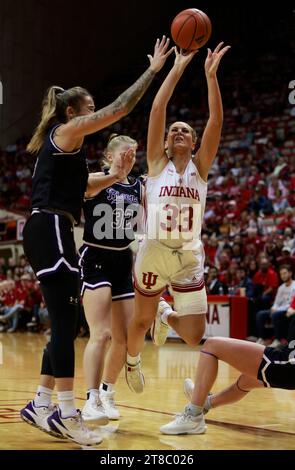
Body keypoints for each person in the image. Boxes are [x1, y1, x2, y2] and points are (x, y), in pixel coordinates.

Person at [20, 36, 172, 446]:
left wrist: (117, 178)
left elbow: (86, 188)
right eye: (90, 109)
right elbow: (120, 108)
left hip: (54, 227)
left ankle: (41, 401)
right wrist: (154, 72)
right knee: (68, 326)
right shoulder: (66, 130)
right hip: (50, 226)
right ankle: (67, 412)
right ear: (73, 112)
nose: (95, 114)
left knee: (63, 326)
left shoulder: (70, 153)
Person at [125, 42, 230, 393]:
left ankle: (166, 313)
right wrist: (178, 67)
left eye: (186, 129)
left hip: (187, 254)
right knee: (139, 320)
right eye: (174, 130)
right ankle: (133, 362)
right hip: (154, 248)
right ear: (166, 144)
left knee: (194, 334)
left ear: (194, 140)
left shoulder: (200, 168)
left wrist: (210, 76)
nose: (179, 131)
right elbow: (158, 107)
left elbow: (217, 119)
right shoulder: (157, 164)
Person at [79, 134, 142, 424]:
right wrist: (114, 173)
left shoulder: (138, 186)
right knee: (101, 333)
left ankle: (107, 391)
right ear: (109, 157)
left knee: (126, 337)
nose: (129, 161)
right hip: (95, 257)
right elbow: (86, 188)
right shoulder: (96, 178)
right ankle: (90, 398)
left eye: (133, 157)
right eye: (124, 156)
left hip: (121, 259)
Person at [160, 336, 295, 435]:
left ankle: (194, 416)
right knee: (247, 380)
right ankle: (206, 403)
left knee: (212, 345)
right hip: (288, 358)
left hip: (289, 363)